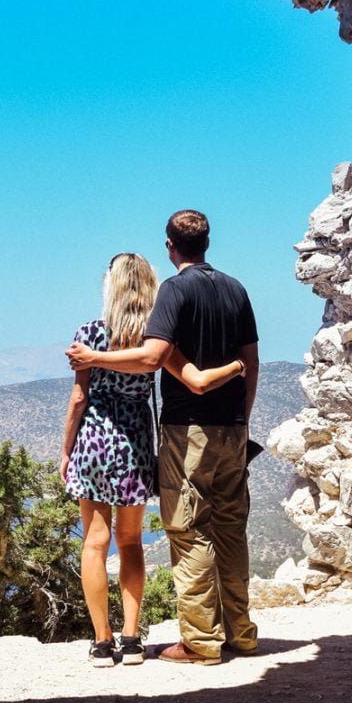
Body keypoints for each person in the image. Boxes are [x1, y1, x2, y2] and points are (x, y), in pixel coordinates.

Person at [66, 210, 259, 666]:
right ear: (207, 242)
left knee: (187, 531)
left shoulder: (171, 294)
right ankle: (241, 635)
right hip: (228, 427)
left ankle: (198, 642)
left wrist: (93, 358)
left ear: (170, 245)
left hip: (179, 430)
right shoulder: (237, 289)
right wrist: (242, 420)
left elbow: (152, 359)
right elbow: (251, 360)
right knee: (230, 531)